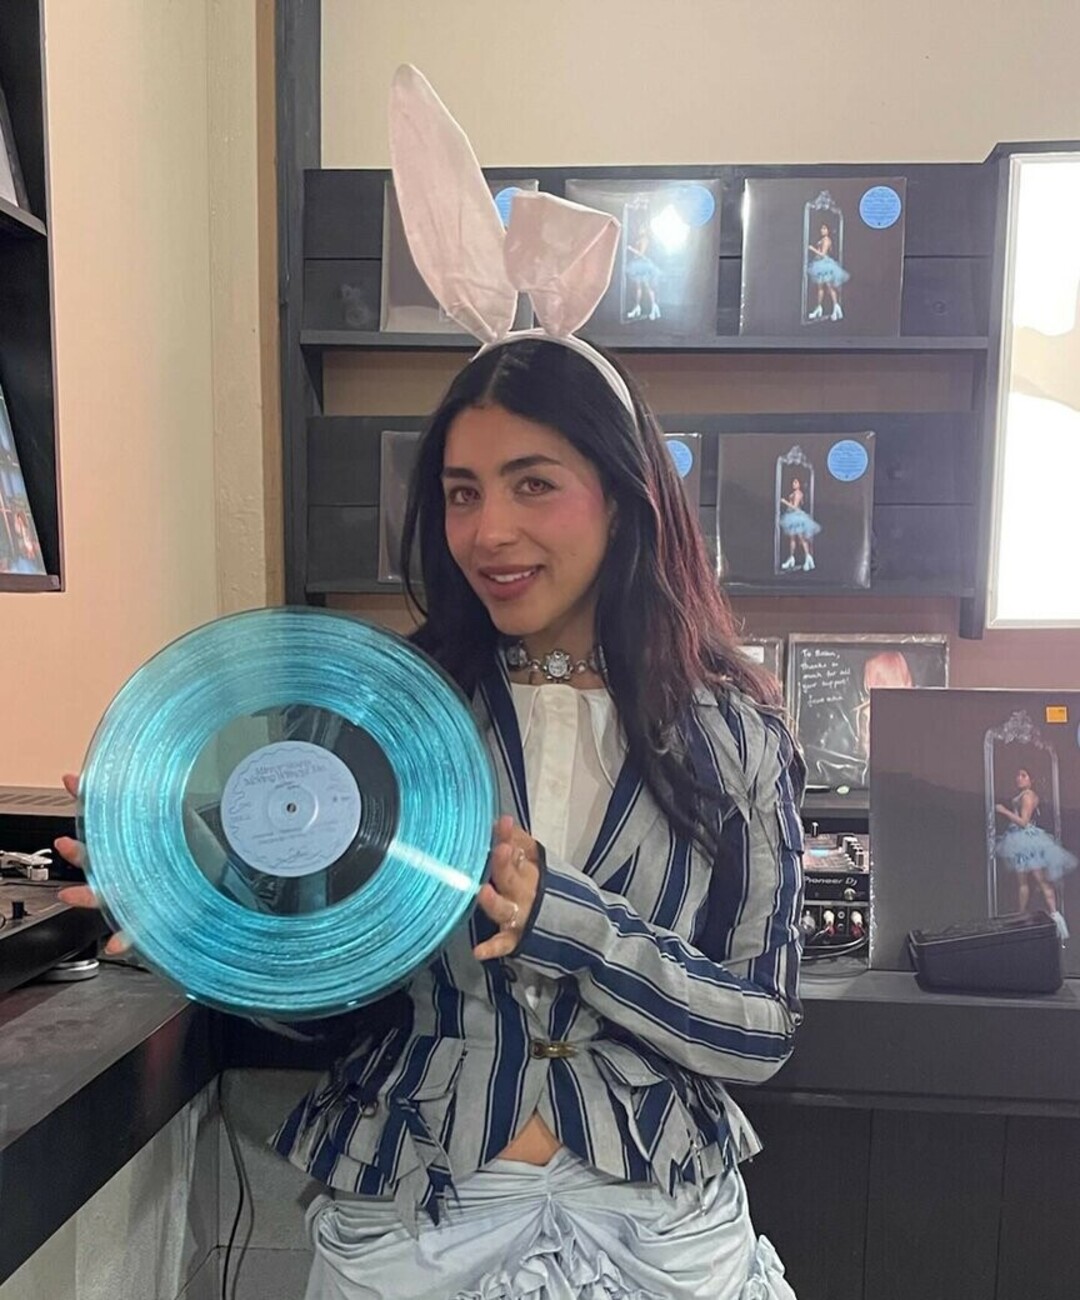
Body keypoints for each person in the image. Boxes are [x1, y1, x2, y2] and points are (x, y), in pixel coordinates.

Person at [58, 336, 805, 1298]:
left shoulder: (737, 737)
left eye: (533, 484)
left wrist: (573, 926)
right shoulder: (372, 718)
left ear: (622, 498)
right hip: (413, 1231)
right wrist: (199, 932)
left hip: (660, 1243)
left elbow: (759, 1030)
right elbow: (321, 1005)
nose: (489, 531)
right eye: (462, 493)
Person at [995, 767, 1077, 939]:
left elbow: (1023, 822)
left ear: (1031, 779)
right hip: (1022, 840)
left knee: (1037, 881)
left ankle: (1054, 917)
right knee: (1027, 882)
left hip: (1027, 840)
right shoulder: (1024, 795)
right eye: (1018, 775)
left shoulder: (1028, 796)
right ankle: (1025, 914)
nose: (1019, 778)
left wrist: (1004, 811)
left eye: (1023, 775)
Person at [806, 223, 849, 323]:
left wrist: (812, 249)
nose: (822, 230)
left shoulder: (826, 240)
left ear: (828, 230)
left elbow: (822, 254)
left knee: (829, 287)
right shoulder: (822, 239)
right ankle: (818, 308)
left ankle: (836, 307)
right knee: (820, 288)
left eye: (824, 228)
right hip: (819, 264)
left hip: (825, 264)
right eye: (821, 228)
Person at [778, 476, 821, 572]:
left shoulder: (798, 493)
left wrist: (784, 502)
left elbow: (794, 507)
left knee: (801, 538)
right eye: (793, 482)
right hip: (791, 516)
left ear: (800, 484)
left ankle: (808, 558)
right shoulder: (793, 493)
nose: (793, 484)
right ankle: (791, 558)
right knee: (792, 539)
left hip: (797, 516)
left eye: (796, 482)